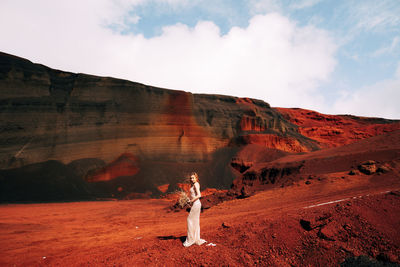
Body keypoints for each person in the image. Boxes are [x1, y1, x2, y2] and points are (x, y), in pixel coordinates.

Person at [183, 172, 206, 247]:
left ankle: (191, 239)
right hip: (195, 204)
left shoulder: (196, 184)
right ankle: (194, 238)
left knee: (189, 219)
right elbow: (194, 195)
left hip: (196, 204)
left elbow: (199, 195)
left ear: (196, 178)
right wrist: (188, 200)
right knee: (194, 220)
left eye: (193, 178)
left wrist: (191, 201)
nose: (192, 179)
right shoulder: (193, 185)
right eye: (191, 178)